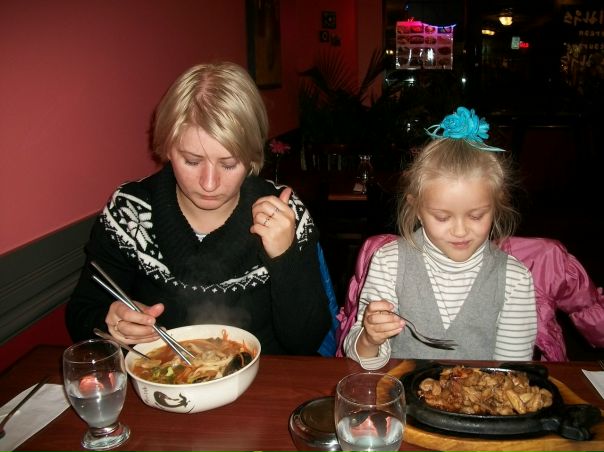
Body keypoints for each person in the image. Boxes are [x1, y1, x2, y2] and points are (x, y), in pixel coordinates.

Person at [66, 62, 331, 355]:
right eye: (192, 161)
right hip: (159, 376)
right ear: (167, 147)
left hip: (262, 377)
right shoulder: (130, 211)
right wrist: (111, 322)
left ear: (252, 157)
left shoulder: (283, 212)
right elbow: (82, 312)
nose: (209, 183)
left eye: (228, 164)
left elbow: (306, 342)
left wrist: (285, 258)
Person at [343, 107, 537, 369]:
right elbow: (363, 361)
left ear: (496, 206)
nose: (460, 231)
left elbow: (512, 373)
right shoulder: (388, 263)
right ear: (417, 209)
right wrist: (369, 338)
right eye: (443, 217)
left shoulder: (515, 279)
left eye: (476, 216)